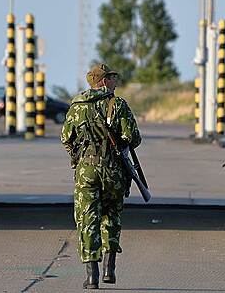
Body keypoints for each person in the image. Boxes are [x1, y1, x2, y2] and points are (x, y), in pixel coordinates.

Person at [61, 64, 141, 289]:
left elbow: (66, 139)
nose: (116, 81)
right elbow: (133, 138)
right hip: (113, 170)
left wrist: (80, 154)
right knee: (112, 216)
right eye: (112, 77)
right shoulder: (118, 105)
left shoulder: (77, 106)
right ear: (103, 81)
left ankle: (91, 276)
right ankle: (109, 269)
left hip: (86, 171)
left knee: (87, 220)